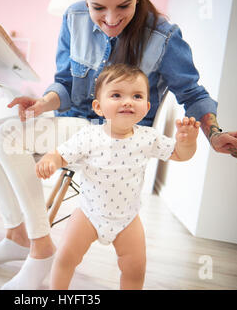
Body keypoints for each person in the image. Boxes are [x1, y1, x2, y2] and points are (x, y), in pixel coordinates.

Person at [0, 0, 237, 290]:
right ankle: (17, 235)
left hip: (117, 134)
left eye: (123, 6)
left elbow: (192, 94)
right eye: (98, 8)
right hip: (75, 123)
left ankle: (40, 247)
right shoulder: (74, 17)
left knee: (7, 136)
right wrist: (43, 103)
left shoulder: (163, 36)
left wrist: (213, 134)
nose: (111, 20)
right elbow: (66, 83)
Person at [36, 63, 200, 289]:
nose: (127, 101)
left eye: (137, 96)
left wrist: (187, 141)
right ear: (98, 106)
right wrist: (50, 160)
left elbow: (180, 154)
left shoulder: (148, 138)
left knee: (135, 270)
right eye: (116, 95)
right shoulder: (89, 135)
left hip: (127, 219)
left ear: (146, 106)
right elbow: (61, 155)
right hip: (89, 214)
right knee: (65, 258)